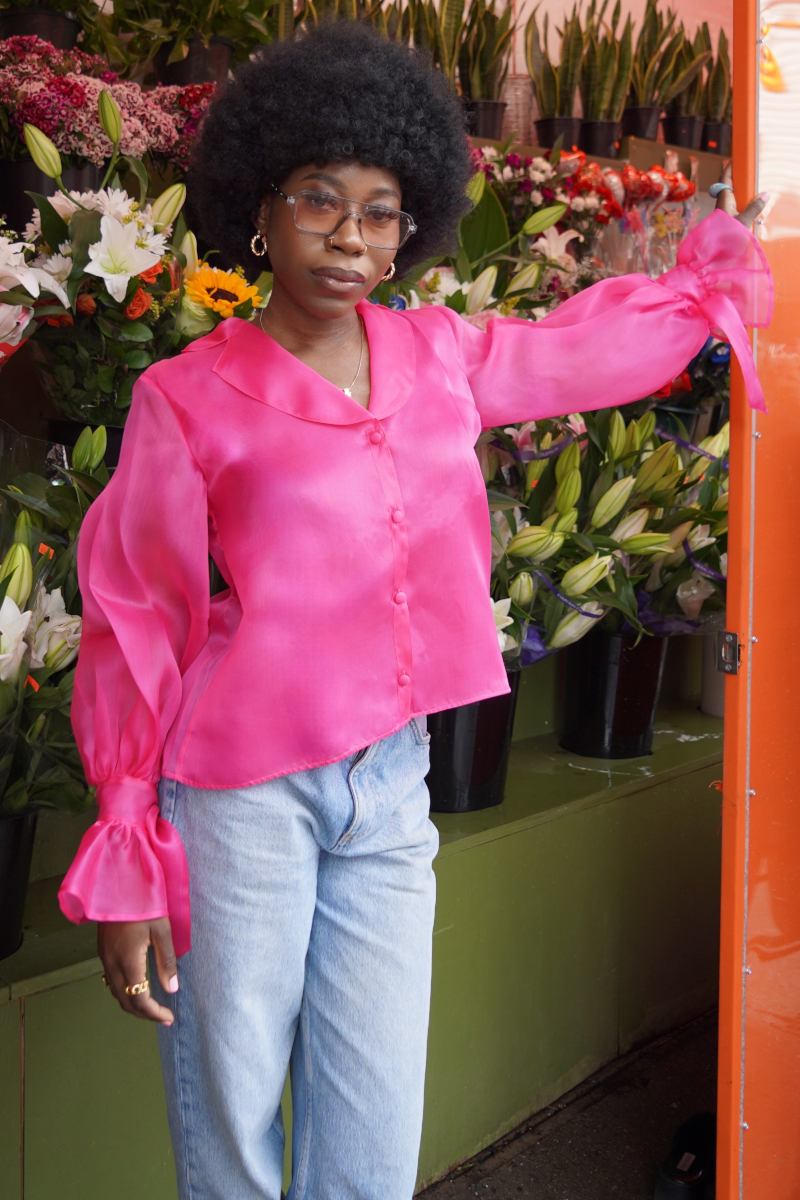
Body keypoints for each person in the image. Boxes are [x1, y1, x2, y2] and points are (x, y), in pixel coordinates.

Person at [58, 20, 771, 1200]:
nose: (348, 234)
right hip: (239, 794)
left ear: (410, 227)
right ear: (259, 207)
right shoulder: (187, 398)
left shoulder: (441, 354)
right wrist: (129, 837)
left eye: (380, 209)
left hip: (390, 783)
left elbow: (577, 353)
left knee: (375, 1122)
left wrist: (717, 277)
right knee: (233, 1114)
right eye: (318, 199)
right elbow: (136, 615)